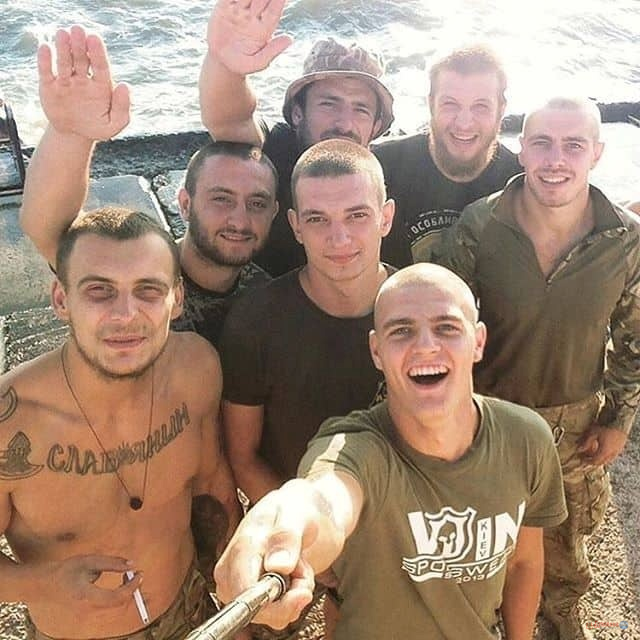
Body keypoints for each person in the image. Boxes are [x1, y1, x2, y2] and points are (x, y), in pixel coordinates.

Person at [214, 263, 567, 640]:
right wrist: (287, 525)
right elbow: (326, 499)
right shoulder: (355, 447)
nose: (426, 345)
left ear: (478, 341)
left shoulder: (525, 439)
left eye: (447, 327)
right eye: (402, 331)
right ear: (376, 351)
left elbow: (524, 563)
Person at [435, 96, 640, 640]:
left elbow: (633, 340)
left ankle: (562, 608)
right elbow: (446, 327)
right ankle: (487, 613)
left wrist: (618, 420)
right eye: (542, 143)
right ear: (521, 149)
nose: (556, 160)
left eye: (574, 145)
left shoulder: (625, 239)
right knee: (485, 527)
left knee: (566, 534)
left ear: (596, 153)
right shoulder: (480, 224)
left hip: (575, 421)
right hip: (491, 414)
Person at [0, 207, 241, 640]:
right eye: (99, 291)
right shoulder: (12, 422)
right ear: (61, 300)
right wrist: (45, 584)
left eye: (148, 290)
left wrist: (237, 600)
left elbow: (212, 484)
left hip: (191, 609)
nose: (126, 314)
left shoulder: (197, 369)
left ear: (176, 298)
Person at [20, 26, 278, 347]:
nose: (239, 220)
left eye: (256, 203)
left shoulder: (267, 298)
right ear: (185, 204)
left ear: (274, 213)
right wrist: (70, 134)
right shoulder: (138, 268)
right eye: (221, 199)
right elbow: (47, 228)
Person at [219, 139, 394, 505]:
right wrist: (307, 527)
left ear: (386, 218)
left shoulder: (422, 310)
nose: (339, 238)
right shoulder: (255, 322)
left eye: (357, 215)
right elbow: (243, 457)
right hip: (296, 518)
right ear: (296, 226)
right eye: (317, 219)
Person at [199, 0, 395, 275]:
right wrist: (226, 66)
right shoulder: (275, 152)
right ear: (297, 113)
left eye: (360, 109)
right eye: (329, 104)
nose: (344, 123)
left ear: (376, 126)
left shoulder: (392, 169)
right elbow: (230, 118)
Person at [372, 45, 522, 265]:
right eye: (450, 104)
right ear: (430, 104)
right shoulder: (379, 168)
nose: (464, 123)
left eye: (481, 106)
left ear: (501, 110)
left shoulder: (521, 184)